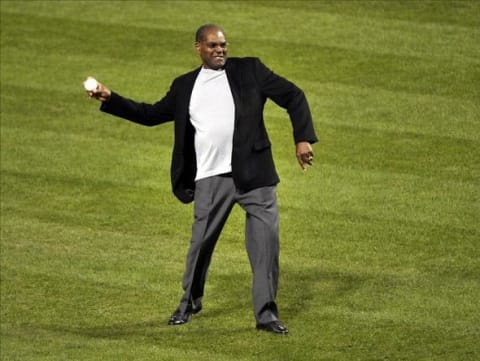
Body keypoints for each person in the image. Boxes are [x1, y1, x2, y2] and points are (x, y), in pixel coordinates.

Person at [86, 24, 317, 335]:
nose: (220, 49)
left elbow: (293, 95)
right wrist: (109, 98)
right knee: (200, 246)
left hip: (256, 176)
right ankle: (188, 304)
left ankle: (266, 316)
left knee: (266, 249)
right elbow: (150, 114)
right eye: (212, 45)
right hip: (211, 178)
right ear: (198, 48)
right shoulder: (184, 86)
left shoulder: (251, 69)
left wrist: (303, 138)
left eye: (223, 44)